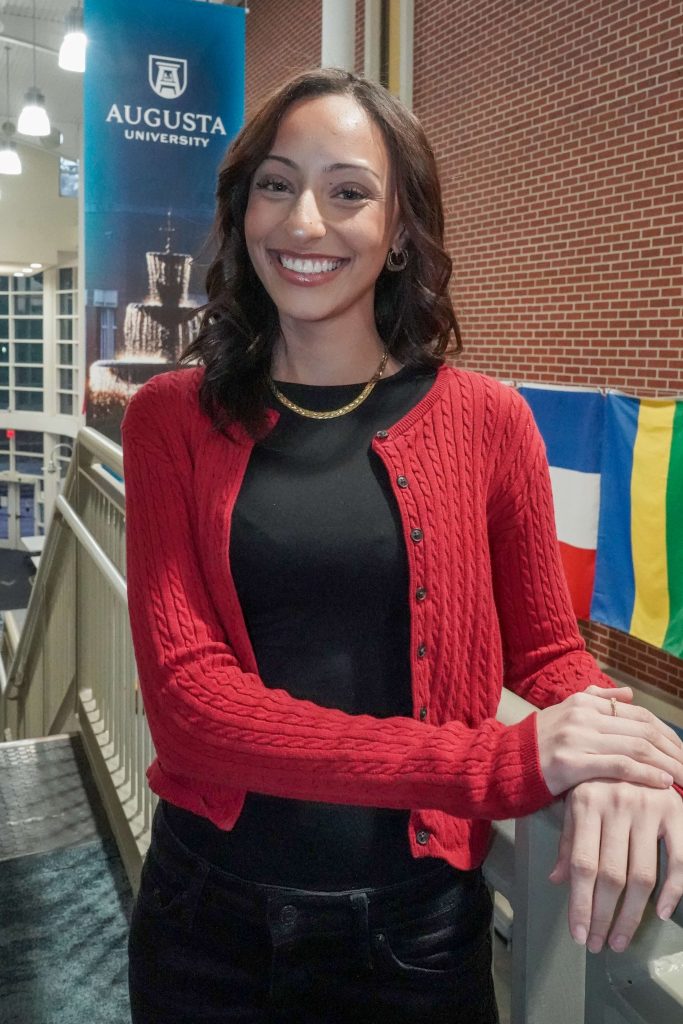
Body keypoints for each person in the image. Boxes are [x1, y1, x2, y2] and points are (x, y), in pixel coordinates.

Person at [121, 68, 683, 1024]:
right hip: (203, 920)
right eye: (275, 183)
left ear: (396, 233)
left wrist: (635, 759)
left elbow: (545, 652)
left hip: (413, 940)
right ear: (241, 207)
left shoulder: (489, 422)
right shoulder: (170, 418)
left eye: (348, 192)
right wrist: (497, 767)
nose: (304, 222)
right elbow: (190, 707)